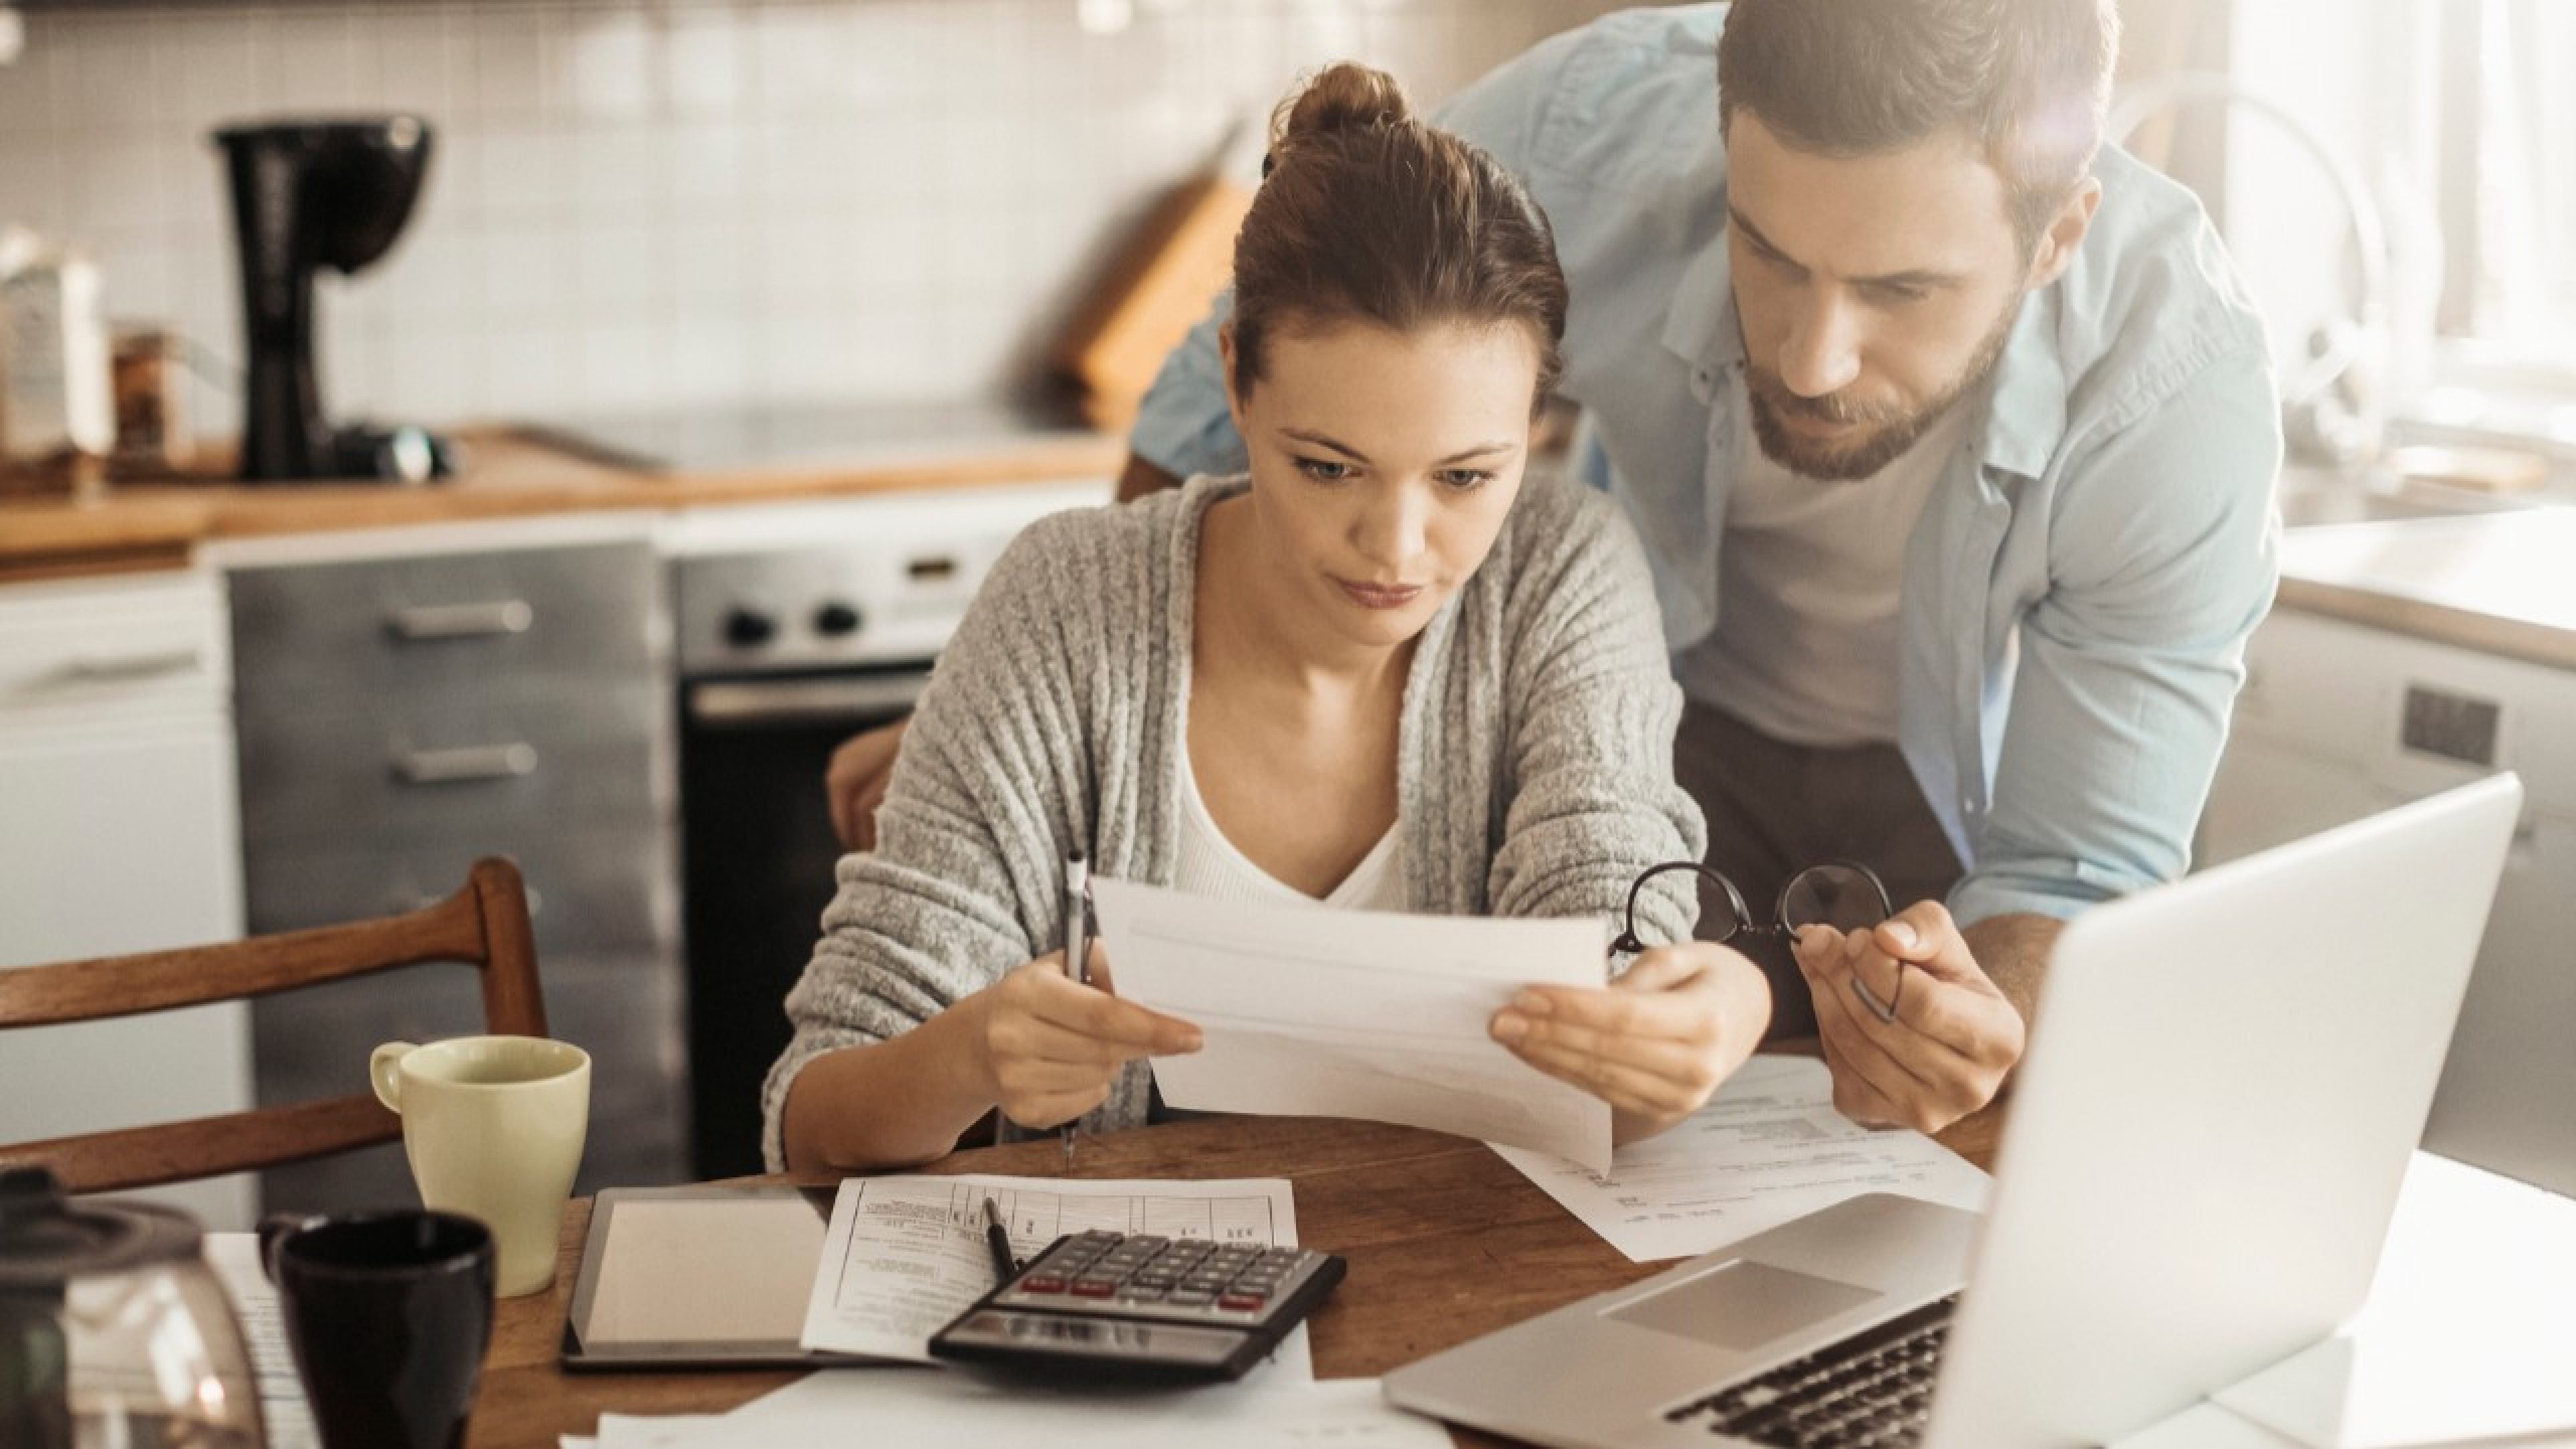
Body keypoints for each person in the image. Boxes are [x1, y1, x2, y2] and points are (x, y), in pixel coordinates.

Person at [830, 0, 2283, 1138]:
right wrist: (1039, 704)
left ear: (2059, 233)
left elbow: (2078, 867)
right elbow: (1229, 393)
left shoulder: (2177, 394)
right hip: (1652, 718)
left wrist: (1989, 1028)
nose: (1808, 352)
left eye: (1901, 290)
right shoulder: (1584, 129)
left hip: (1947, 822)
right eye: (1770, 253)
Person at [768, 64, 1775, 1174]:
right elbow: (813, 1125)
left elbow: (1607, 981)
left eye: (1463, 478)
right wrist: (965, 1061)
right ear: (1238, 383)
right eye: (1330, 466)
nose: (1395, 548)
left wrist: (1707, 1013)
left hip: (1460, 1289)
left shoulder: (1561, 574)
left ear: (1534, 423)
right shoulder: (1065, 602)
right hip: (1120, 1310)